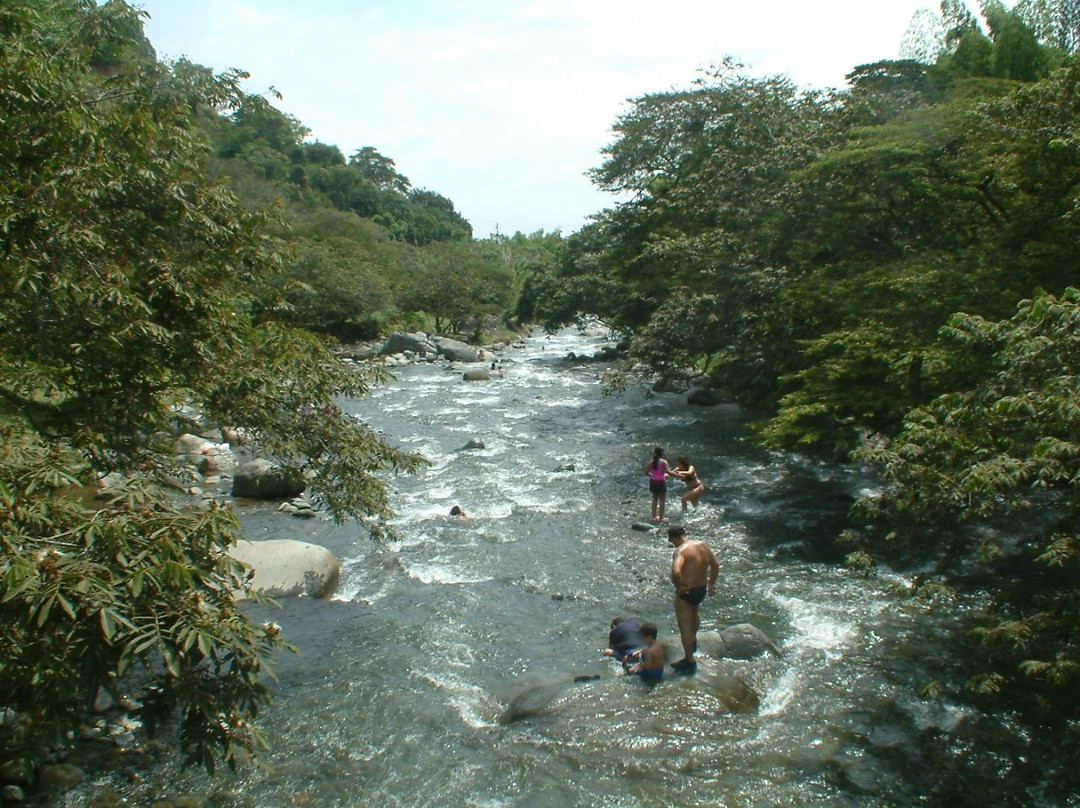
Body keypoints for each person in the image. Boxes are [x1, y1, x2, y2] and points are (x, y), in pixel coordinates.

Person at [668, 525, 719, 672]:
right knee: (694, 611)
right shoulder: (702, 545)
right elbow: (715, 564)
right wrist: (712, 584)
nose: (673, 544)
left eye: (672, 542)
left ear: (674, 538)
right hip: (701, 589)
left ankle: (689, 659)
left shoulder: (680, 551)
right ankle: (693, 638)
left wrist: (679, 588)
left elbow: (676, 572)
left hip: (687, 591)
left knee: (684, 625)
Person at [644, 446, 672, 523]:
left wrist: (652, 476)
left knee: (654, 499)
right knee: (662, 500)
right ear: (662, 453)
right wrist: (677, 474)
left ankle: (653, 517)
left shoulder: (651, 462)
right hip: (660, 482)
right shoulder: (663, 462)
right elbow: (668, 472)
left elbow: (646, 473)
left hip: (653, 482)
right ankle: (661, 518)